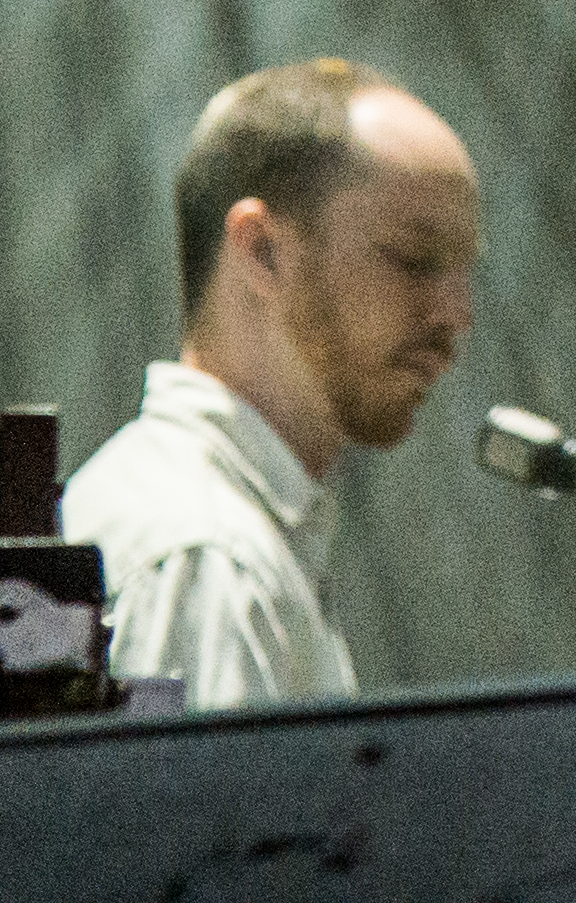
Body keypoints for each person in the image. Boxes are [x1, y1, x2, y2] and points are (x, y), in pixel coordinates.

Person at [60, 56, 484, 708]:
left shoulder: (222, 534)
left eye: (461, 271)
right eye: (414, 259)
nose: (455, 315)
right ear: (261, 250)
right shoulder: (206, 556)